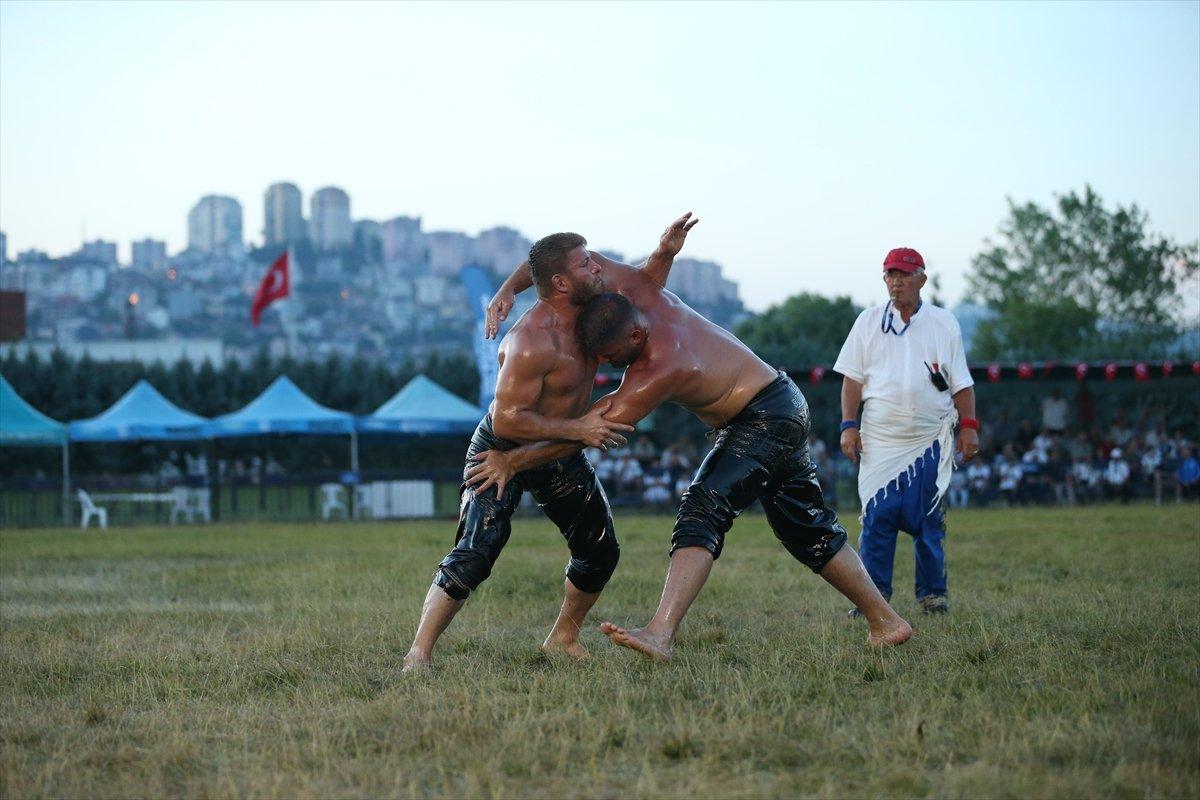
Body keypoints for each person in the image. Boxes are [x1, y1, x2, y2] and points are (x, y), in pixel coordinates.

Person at [466, 291, 912, 658]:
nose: (610, 366)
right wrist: (511, 288)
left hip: (760, 418)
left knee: (702, 509)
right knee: (806, 527)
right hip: (781, 403)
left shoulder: (658, 369)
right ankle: (886, 622)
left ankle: (660, 632)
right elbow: (562, 258)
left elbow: (590, 433)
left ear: (636, 335)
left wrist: (511, 462)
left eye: (613, 356)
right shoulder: (656, 299)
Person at [401, 214, 697, 671]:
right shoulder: (530, 342)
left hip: (557, 448)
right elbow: (509, 418)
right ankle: (419, 653)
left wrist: (664, 254)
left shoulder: (594, 309)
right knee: (478, 549)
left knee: (599, 549)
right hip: (500, 449)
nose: (596, 267)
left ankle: (563, 636)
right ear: (561, 283)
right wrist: (576, 430)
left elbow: (639, 285)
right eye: (584, 265)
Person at [833, 247, 979, 615]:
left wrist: (970, 427)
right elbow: (852, 380)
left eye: (903, 274)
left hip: (929, 437)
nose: (895, 282)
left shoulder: (944, 323)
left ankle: (932, 593)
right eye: (889, 275)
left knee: (929, 516)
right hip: (880, 437)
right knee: (877, 517)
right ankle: (874, 596)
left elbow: (961, 382)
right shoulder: (867, 322)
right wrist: (849, 426)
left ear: (921, 279)